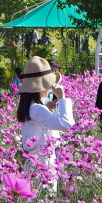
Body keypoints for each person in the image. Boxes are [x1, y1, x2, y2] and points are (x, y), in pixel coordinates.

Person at [15, 57, 76, 187]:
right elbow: (67, 124)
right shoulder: (37, 109)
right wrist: (61, 98)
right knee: (44, 200)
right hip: (42, 163)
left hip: (34, 160)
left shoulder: (31, 105)